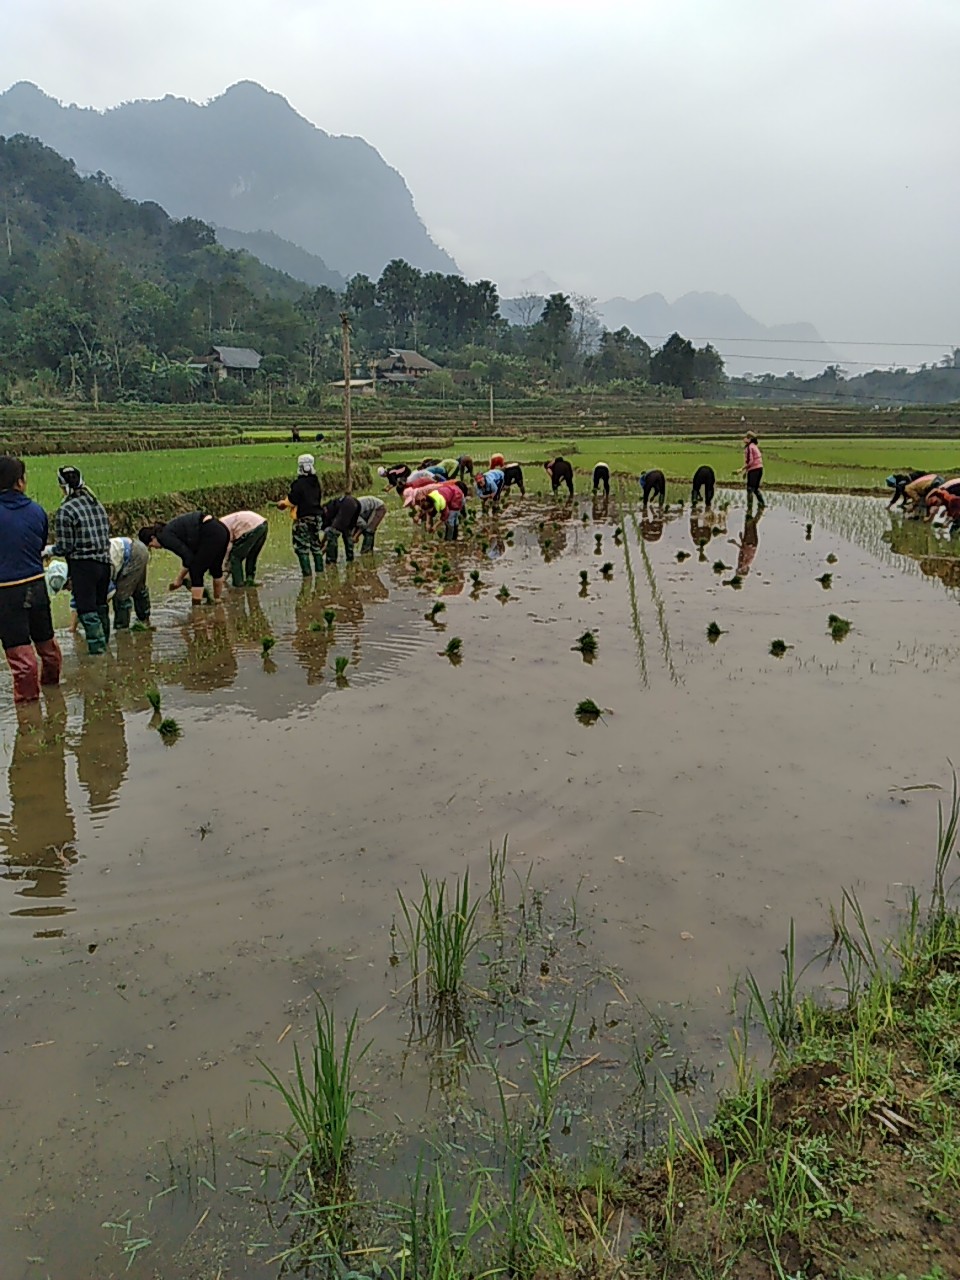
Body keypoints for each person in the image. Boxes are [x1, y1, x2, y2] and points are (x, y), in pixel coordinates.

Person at [0, 455, 62, 703]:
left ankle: (29, 712)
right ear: (19, 482)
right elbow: (39, 545)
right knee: (48, 648)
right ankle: (53, 694)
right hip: (37, 585)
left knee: (22, 657)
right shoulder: (37, 511)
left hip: (6, 592)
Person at [50, 465, 112, 652]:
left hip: (84, 567)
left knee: (87, 611)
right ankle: (106, 647)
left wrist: (48, 551)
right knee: (101, 607)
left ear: (62, 486)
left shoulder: (66, 510)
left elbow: (65, 547)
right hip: (105, 564)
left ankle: (98, 654)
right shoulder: (96, 503)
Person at [138, 512, 229, 605]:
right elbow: (191, 555)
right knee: (215, 567)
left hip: (210, 532)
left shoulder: (164, 538)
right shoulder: (167, 530)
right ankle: (217, 600)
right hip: (222, 530)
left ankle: (196, 607)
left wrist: (179, 579)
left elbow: (188, 558)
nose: (155, 548)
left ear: (153, 537)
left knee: (196, 570)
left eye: (151, 545)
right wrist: (182, 577)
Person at [281, 454, 324, 577]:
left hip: (303, 519)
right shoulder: (316, 482)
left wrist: (282, 504)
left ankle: (307, 577)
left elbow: (292, 500)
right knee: (316, 547)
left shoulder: (298, 484)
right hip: (316, 518)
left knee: (302, 549)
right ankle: (320, 574)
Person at [109, 536, 152, 629]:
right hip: (135, 547)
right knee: (139, 588)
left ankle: (122, 630)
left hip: (134, 553)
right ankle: (144, 620)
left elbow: (109, 591)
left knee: (121, 596)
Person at [219, 510, 269, 587]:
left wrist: (225, 567)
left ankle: (238, 584)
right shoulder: (222, 523)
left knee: (235, 556)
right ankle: (250, 580)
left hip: (253, 526)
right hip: (262, 524)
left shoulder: (220, 527)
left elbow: (228, 548)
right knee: (252, 555)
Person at [321, 496, 361, 564]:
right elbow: (327, 533)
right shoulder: (327, 510)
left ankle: (331, 561)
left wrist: (323, 548)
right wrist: (322, 544)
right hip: (355, 503)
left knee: (333, 533)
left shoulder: (324, 516)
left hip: (346, 505)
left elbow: (330, 533)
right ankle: (350, 558)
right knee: (347, 532)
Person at [738, 434, 765, 509]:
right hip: (759, 468)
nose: (744, 439)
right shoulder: (754, 446)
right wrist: (746, 472)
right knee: (755, 489)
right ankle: (762, 504)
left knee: (750, 489)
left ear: (749, 439)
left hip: (754, 470)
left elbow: (750, 461)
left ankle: (749, 508)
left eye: (746, 437)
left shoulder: (749, 447)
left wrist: (742, 469)